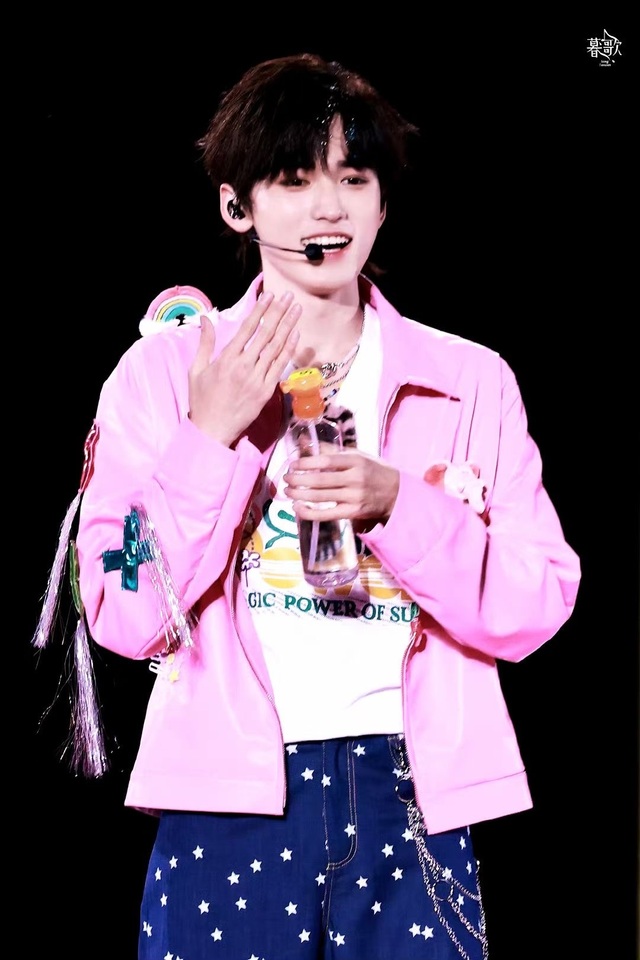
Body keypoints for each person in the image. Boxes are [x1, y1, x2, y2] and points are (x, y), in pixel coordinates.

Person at [34, 53, 581, 959]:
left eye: (353, 178)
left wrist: (400, 505)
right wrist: (208, 437)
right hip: (227, 800)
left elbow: (537, 600)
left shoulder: (470, 380)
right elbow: (122, 614)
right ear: (236, 206)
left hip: (413, 792)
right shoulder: (163, 374)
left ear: (382, 202)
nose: (329, 208)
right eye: (293, 180)